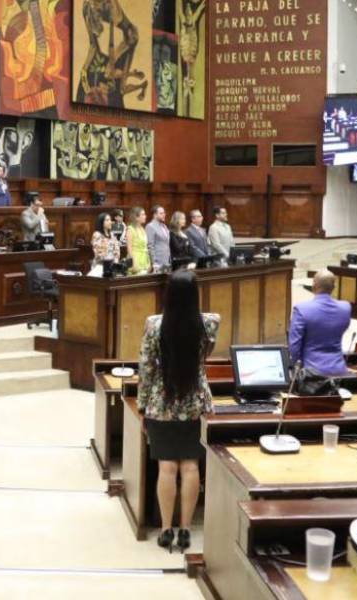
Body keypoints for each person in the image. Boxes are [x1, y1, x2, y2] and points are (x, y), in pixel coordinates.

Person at [136, 270, 220, 554]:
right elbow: (204, 356)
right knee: (191, 466)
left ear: (167, 295)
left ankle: (166, 530)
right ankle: (186, 530)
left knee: (167, 467)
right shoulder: (209, 324)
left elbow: (146, 369)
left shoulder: (153, 325)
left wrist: (143, 405)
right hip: (195, 402)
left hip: (162, 402)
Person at [288, 272, 351, 376]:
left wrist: (295, 368)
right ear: (334, 287)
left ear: (314, 286)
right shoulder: (345, 308)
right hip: (339, 369)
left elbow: (294, 346)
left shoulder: (301, 309)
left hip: (311, 373)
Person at [125, 207, 150, 275]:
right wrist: (133, 263)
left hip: (144, 258)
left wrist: (149, 261)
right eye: (143, 214)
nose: (145, 216)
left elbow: (146, 247)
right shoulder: (130, 229)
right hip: (135, 259)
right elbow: (129, 249)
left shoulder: (142, 229)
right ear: (136, 217)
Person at [146, 205, 171, 273]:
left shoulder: (164, 226)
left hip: (168, 260)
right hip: (158, 263)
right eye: (161, 213)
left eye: (164, 213)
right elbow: (150, 246)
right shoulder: (150, 226)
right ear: (155, 215)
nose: (164, 215)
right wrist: (154, 263)